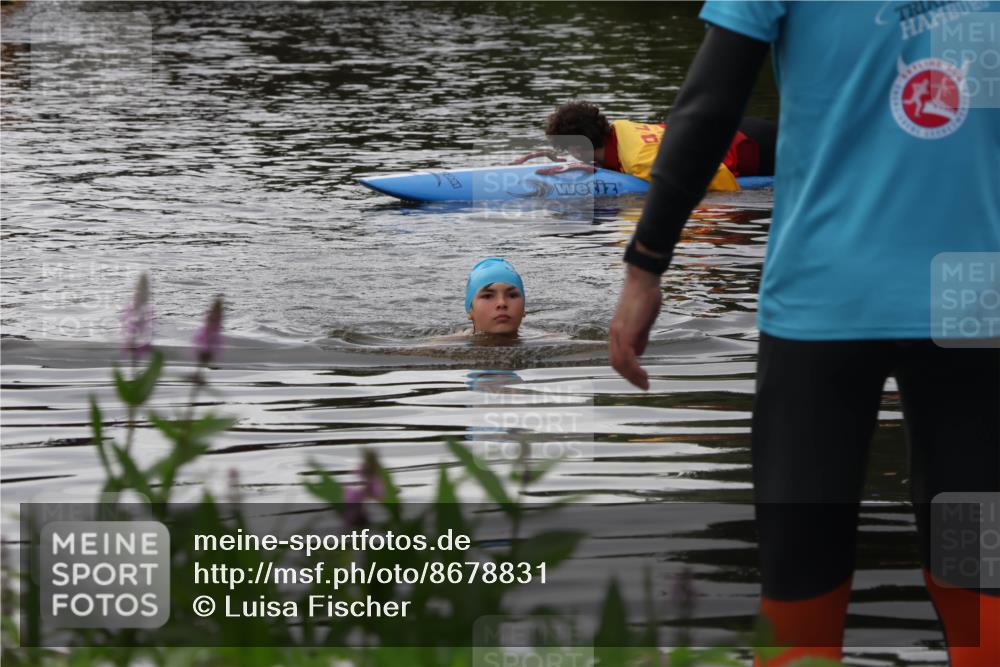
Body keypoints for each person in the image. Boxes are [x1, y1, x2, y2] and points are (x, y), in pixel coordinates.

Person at [606, 3, 999, 667]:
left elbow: (708, 107)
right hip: (968, 302)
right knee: (979, 578)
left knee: (802, 585)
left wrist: (646, 264)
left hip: (825, 304)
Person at [539, 100, 776, 191]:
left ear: (579, 148)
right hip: (739, 128)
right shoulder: (622, 129)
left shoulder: (640, 161)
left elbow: (718, 178)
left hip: (754, 148)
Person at [465, 257, 525, 337]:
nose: (502, 303)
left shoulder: (545, 340)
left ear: (523, 308)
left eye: (512, 295)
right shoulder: (447, 346)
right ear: (470, 310)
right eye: (488, 296)